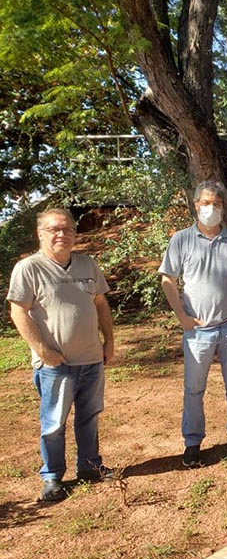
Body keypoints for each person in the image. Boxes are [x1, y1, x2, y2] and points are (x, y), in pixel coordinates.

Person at [7, 208, 115, 501]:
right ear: (40, 233)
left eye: (68, 229)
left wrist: (109, 342)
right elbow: (18, 311)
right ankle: (52, 477)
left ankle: (90, 467)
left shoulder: (87, 264)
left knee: (89, 416)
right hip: (56, 364)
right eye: (54, 229)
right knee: (53, 423)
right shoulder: (29, 268)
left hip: (91, 359)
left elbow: (101, 304)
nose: (62, 234)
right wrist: (42, 350)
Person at [159, 180, 227, 468]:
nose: (210, 208)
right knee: (194, 388)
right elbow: (168, 279)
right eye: (205, 202)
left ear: (223, 208)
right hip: (197, 331)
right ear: (195, 205)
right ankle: (192, 442)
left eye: (216, 203)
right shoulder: (181, 240)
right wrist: (182, 316)